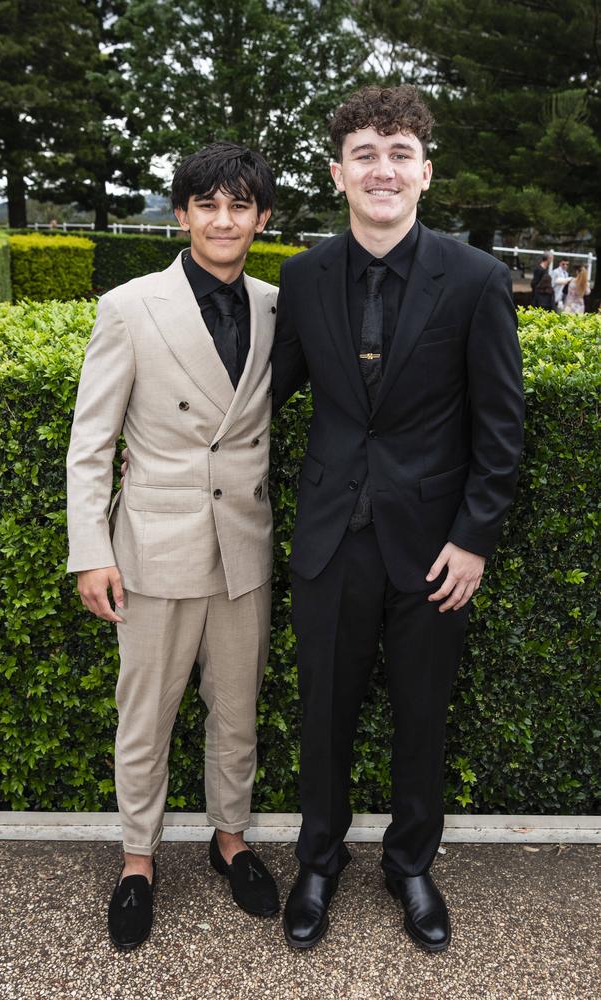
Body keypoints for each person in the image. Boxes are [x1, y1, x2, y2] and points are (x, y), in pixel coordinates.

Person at [271, 84, 524, 953]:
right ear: (338, 172)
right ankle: (319, 859)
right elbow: (260, 400)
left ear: (425, 172)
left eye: (400, 153)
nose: (384, 169)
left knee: (422, 714)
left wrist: (474, 538)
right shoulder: (301, 278)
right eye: (366, 154)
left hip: (434, 550)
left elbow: (501, 426)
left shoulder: (479, 279)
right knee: (324, 713)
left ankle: (411, 863)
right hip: (331, 537)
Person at [66, 143, 280, 951]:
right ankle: (138, 859)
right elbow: (92, 442)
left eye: (239, 206)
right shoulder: (129, 305)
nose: (222, 220)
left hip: (244, 547)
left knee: (236, 709)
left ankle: (230, 841)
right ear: (183, 213)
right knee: (145, 715)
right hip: (153, 546)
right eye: (206, 204)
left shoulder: (273, 306)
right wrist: (91, 549)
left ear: (262, 218)